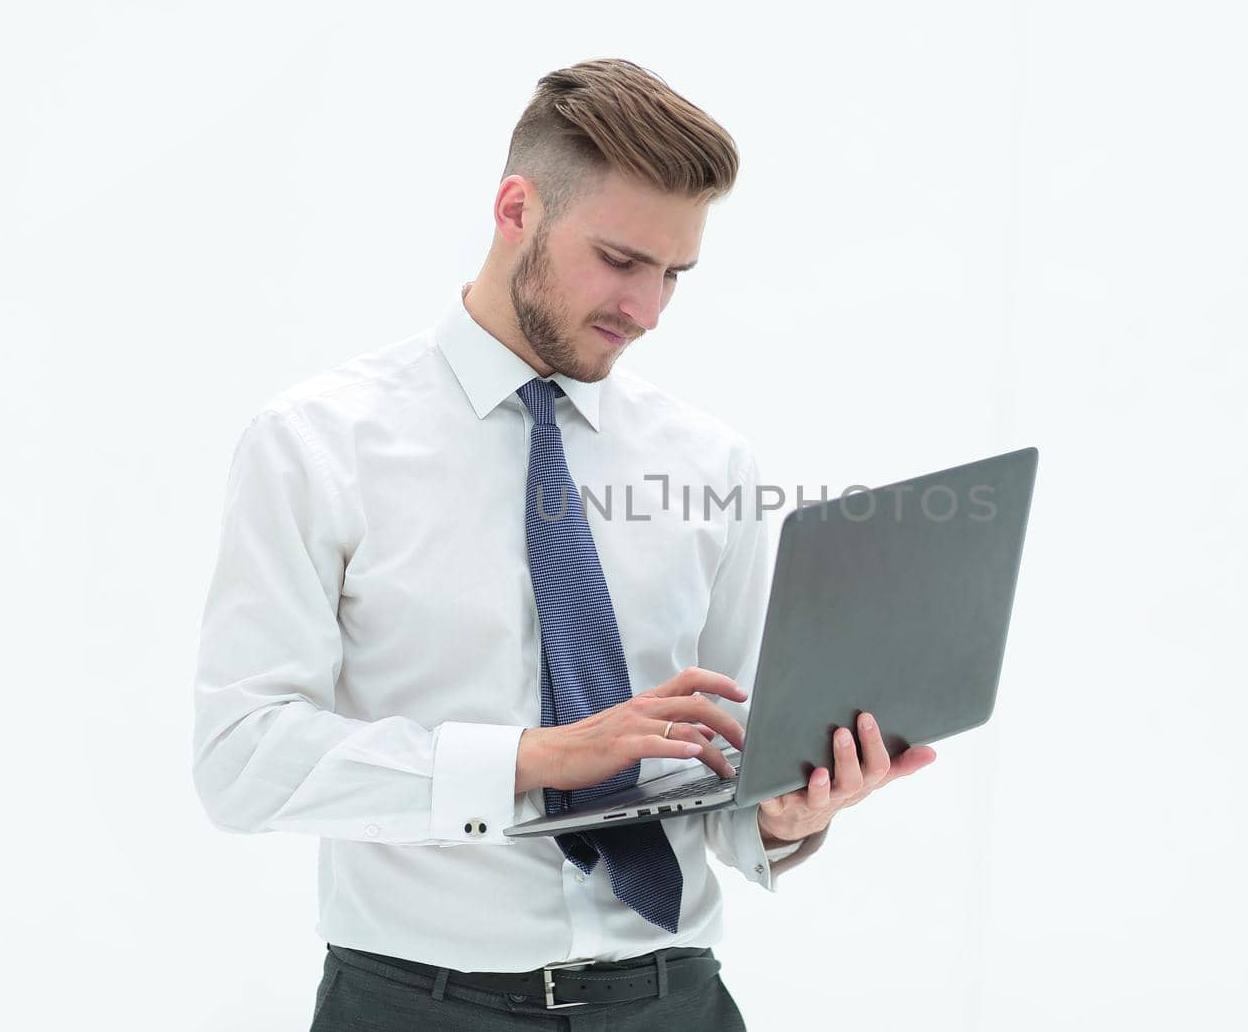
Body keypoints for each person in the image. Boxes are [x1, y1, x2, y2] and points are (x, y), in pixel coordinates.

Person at [191, 57, 937, 1030]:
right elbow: (241, 758)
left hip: (672, 999)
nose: (648, 309)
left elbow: (716, 764)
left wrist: (780, 814)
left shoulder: (708, 460)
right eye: (621, 260)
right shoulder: (318, 443)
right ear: (516, 210)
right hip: (418, 1006)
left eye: (674, 274)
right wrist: (531, 757)